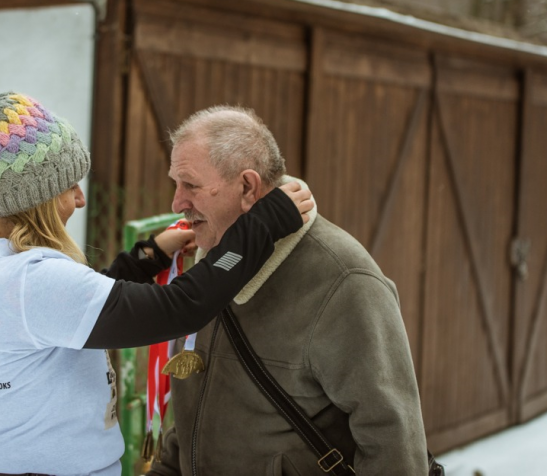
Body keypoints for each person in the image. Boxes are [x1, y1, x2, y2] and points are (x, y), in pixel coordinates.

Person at [0, 77, 312, 476]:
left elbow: (70, 317)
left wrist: (148, 256)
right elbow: (180, 309)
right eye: (67, 187)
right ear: (33, 199)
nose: (79, 198)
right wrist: (261, 227)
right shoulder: (31, 282)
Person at [147, 106, 429, 476]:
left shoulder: (345, 280)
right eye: (176, 184)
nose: (177, 203)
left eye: (191, 185)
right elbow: (191, 418)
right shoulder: (210, 263)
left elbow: (394, 445)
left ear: (247, 187)